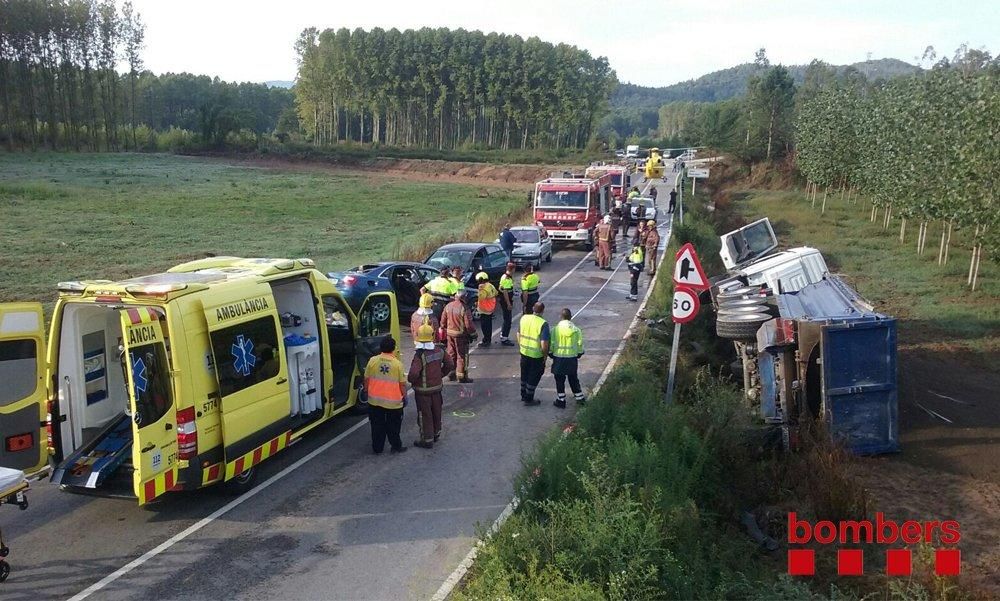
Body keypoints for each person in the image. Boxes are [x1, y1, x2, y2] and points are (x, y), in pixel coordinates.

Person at [408, 321, 454, 449]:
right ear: (432, 335)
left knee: (425, 415)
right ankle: (436, 433)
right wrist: (440, 375)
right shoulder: (439, 350)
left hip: (423, 391)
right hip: (437, 388)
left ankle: (427, 439)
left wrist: (413, 381)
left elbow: (412, 375)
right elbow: (450, 364)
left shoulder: (419, 355)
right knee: (436, 411)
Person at [364, 336, 407, 454]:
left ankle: (377, 448)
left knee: (377, 426)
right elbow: (402, 384)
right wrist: (405, 396)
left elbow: (366, 379)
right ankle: (396, 446)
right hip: (393, 403)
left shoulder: (372, 360)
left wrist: (366, 391)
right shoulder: (397, 364)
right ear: (393, 349)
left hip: (374, 402)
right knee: (394, 427)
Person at [549, 308, 586, 408]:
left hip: (559, 357)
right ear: (570, 317)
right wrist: (579, 353)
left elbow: (551, 344)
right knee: (573, 378)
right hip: (571, 358)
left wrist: (550, 353)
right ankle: (579, 397)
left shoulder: (555, 330)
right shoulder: (576, 330)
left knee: (559, 379)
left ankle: (561, 400)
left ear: (561, 317)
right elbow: (579, 344)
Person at [517, 302, 550, 406]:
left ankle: (523, 395)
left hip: (524, 352)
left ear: (532, 308)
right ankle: (529, 399)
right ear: (542, 311)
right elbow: (544, 343)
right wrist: (545, 356)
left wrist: (521, 345)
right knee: (534, 376)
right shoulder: (543, 323)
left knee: (524, 374)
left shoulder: (524, 318)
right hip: (536, 355)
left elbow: (518, 334)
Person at [440, 290, 476, 383]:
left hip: (449, 335)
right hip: (461, 336)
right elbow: (469, 325)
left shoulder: (448, 306)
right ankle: (461, 377)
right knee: (462, 356)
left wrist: (444, 328)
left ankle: (451, 374)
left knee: (451, 354)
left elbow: (442, 321)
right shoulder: (464, 308)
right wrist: (473, 334)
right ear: (464, 298)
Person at [476, 271, 498, 347]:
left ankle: (486, 340)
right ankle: (488, 339)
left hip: (484, 310)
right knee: (489, 325)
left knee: (484, 326)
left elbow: (481, 297)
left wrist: (480, 290)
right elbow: (496, 293)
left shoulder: (483, 288)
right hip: (490, 308)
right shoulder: (491, 285)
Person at [498, 263, 516, 346]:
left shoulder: (504, 276)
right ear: (512, 269)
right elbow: (505, 292)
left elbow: (501, 288)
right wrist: (508, 303)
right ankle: (504, 338)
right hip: (506, 301)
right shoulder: (507, 278)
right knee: (508, 320)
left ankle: (503, 336)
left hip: (504, 301)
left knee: (507, 319)